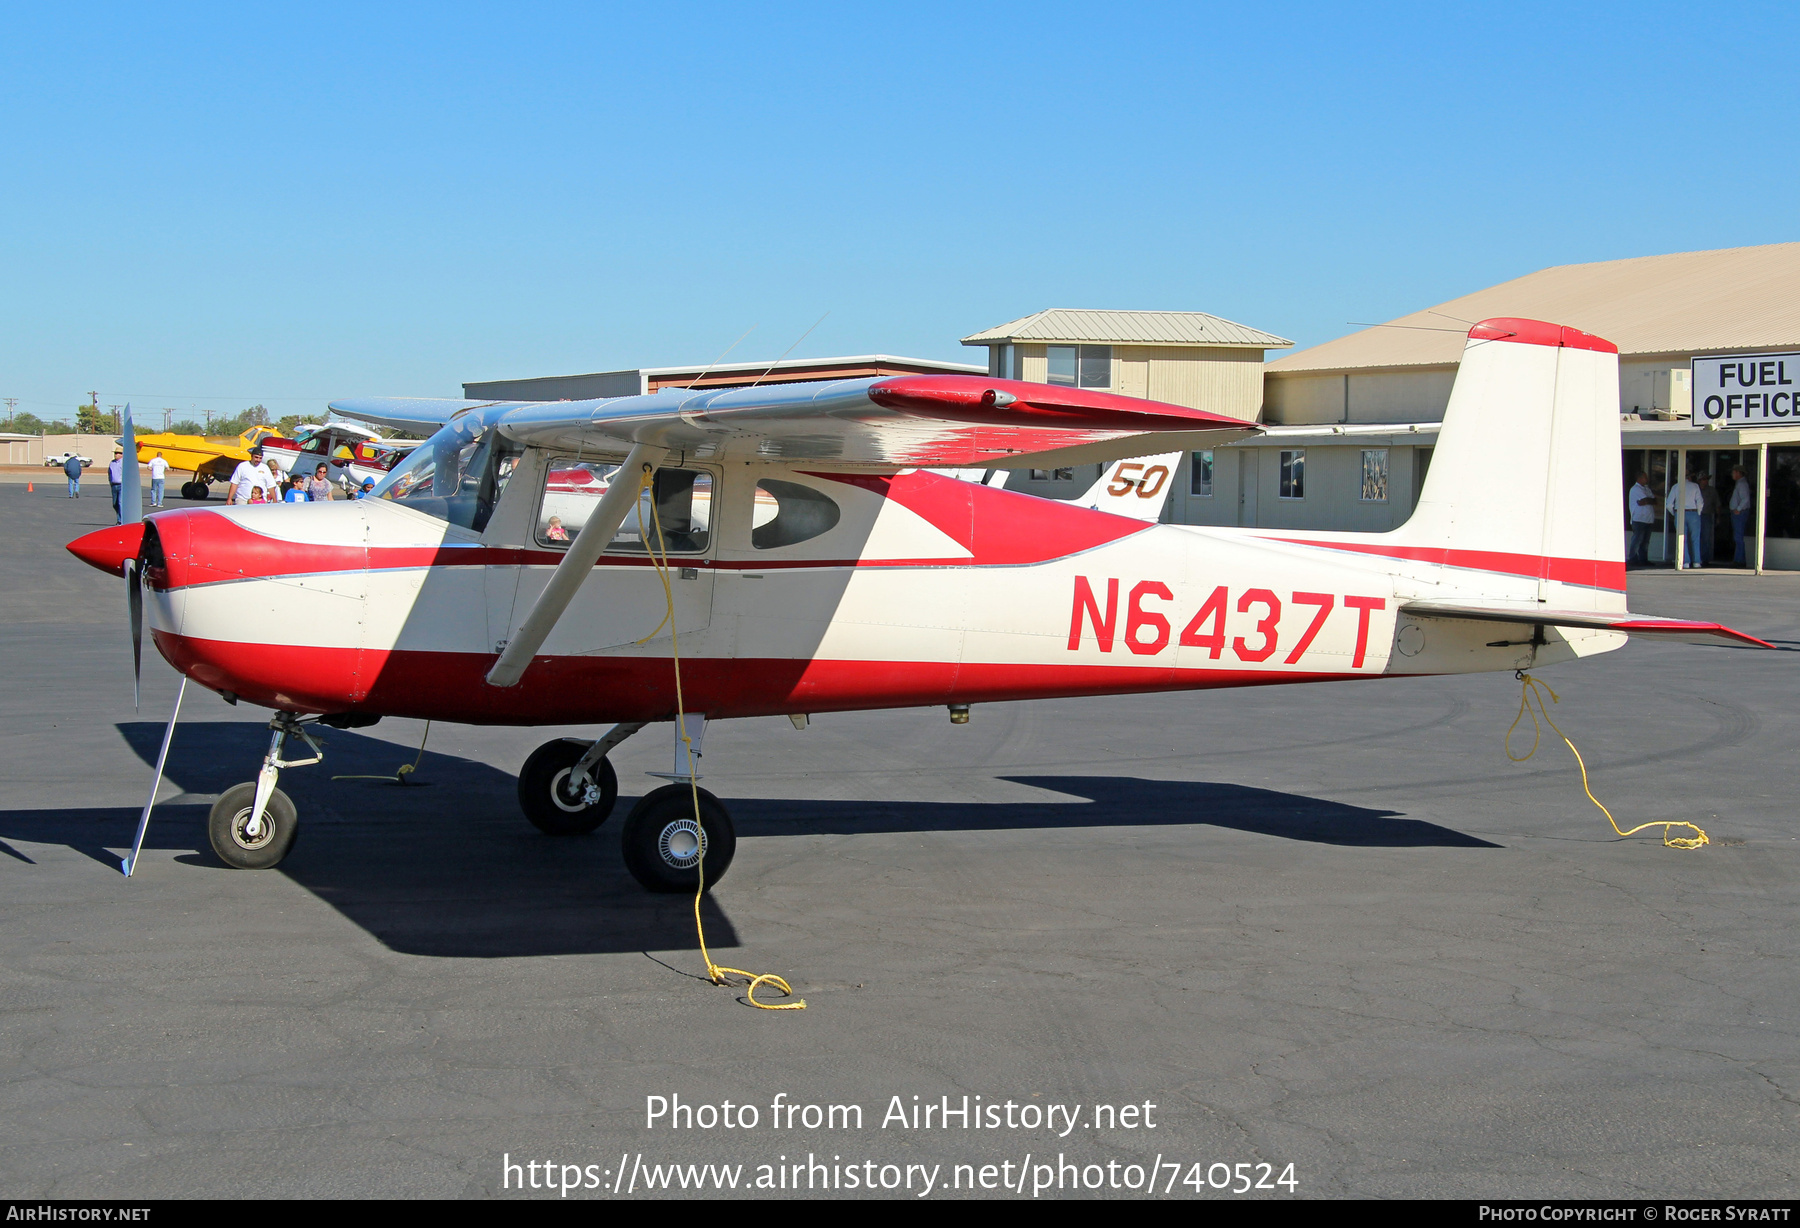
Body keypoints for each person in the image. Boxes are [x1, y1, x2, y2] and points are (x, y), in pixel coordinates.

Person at [1666, 470, 1705, 568]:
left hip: (1680, 513)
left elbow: (1669, 504)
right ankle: (1697, 562)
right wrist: (1698, 512)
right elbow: (1700, 501)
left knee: (1682, 538)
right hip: (1693, 512)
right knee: (1695, 539)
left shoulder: (1675, 487)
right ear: (1689, 478)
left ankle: (1685, 562)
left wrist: (1675, 513)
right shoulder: (1695, 486)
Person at [1626, 471, 1655, 565]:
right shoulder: (1635, 489)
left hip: (1648, 519)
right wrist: (1648, 500)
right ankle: (1632, 558)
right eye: (1645, 477)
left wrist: (1648, 500)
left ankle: (1643, 559)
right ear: (1639, 478)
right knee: (1637, 539)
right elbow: (1643, 501)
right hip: (1638, 519)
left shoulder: (1647, 489)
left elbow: (1654, 500)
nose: (1647, 479)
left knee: (1645, 541)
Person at [1729, 465, 1753, 567]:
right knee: (1738, 536)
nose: (1732, 474)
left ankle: (1739, 560)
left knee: (1738, 537)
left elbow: (1745, 499)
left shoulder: (1742, 484)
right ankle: (1739, 559)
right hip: (1738, 513)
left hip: (1740, 513)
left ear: (1739, 473)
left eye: (1733, 472)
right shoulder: (1739, 483)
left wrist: (1738, 509)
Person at [1697, 473, 1720, 564]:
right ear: (1699, 481)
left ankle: (1705, 559)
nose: (1705, 481)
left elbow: (1717, 504)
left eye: (1707, 479)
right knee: (1695, 537)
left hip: (1707, 515)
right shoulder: (1695, 489)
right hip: (1696, 516)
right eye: (1703, 479)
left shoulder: (1712, 490)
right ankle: (1695, 558)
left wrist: (1718, 517)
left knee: (1706, 538)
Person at [107, 446, 125, 524]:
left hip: (122, 485)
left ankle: (120, 520)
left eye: (118, 453)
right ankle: (119, 517)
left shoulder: (124, 463)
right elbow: (109, 473)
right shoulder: (112, 463)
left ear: (122, 454)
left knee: (120, 502)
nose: (116, 455)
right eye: (115, 453)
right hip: (114, 485)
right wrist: (110, 482)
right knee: (115, 503)